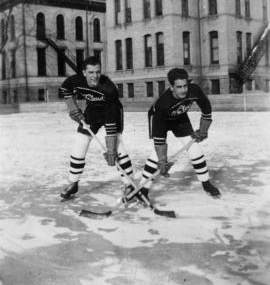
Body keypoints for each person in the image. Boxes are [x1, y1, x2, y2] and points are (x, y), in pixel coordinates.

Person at [137, 68, 220, 201]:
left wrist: (203, 130)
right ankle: (143, 189)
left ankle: (206, 183)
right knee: (157, 157)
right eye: (179, 87)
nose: (183, 90)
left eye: (185, 85)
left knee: (195, 149)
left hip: (180, 117)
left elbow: (206, 109)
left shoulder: (194, 90)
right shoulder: (162, 104)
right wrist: (162, 160)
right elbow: (160, 141)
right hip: (161, 120)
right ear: (171, 87)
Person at [59, 56, 134, 199]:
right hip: (92, 111)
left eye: (98, 72)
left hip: (111, 113)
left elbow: (111, 119)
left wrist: (110, 149)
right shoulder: (75, 80)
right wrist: (73, 109)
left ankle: (129, 184)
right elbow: (65, 89)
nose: (95, 76)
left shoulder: (109, 88)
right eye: (91, 72)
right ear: (84, 72)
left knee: (118, 148)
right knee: (80, 143)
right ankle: (73, 183)